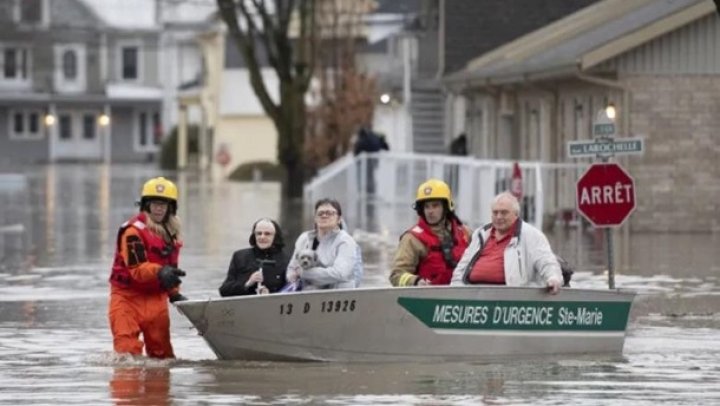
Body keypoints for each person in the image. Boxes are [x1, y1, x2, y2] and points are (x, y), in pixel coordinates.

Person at [108, 177, 186, 359]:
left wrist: (174, 293)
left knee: (162, 356)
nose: (159, 208)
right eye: (155, 204)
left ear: (170, 208)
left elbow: (171, 270)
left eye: (164, 204)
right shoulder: (132, 232)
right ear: (146, 205)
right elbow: (137, 269)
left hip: (156, 299)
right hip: (126, 298)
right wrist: (160, 271)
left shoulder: (171, 234)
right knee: (126, 355)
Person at [450, 192, 563, 294]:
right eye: (495, 212)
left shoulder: (532, 235)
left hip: (510, 300)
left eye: (504, 213)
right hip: (472, 297)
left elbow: (546, 261)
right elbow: (461, 268)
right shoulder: (481, 234)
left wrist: (553, 278)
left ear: (516, 214)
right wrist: (455, 292)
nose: (499, 217)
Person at [389, 179, 472, 287]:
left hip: (462, 295)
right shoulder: (412, 239)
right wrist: (415, 282)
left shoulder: (466, 233)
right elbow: (396, 275)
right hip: (428, 297)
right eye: (426, 206)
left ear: (446, 207)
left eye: (435, 205)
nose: (430, 211)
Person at [286, 198, 361, 290]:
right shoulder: (304, 238)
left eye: (329, 213)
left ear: (339, 219)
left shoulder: (346, 241)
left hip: (337, 296)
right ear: (315, 218)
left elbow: (340, 273)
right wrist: (291, 277)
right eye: (320, 213)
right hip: (306, 294)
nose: (324, 216)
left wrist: (304, 273)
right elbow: (293, 267)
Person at [219, 218, 290, 296]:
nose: (262, 237)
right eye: (259, 233)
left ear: (275, 237)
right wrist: (248, 283)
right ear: (254, 236)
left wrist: (270, 295)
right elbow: (224, 290)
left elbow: (292, 289)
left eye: (267, 234)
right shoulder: (240, 257)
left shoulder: (286, 260)